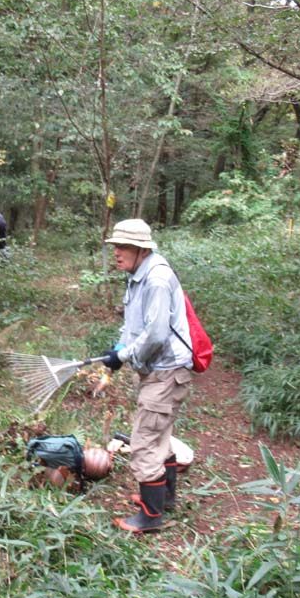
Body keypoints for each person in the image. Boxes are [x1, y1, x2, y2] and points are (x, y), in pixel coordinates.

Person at [98, 219, 194, 533]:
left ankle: (151, 517)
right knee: (160, 435)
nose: (117, 252)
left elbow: (156, 335)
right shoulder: (137, 276)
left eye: (123, 247)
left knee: (145, 440)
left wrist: (125, 355)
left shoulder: (156, 279)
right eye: (115, 246)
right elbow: (134, 326)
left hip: (167, 371)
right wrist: (119, 350)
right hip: (157, 370)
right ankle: (164, 499)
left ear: (142, 249)